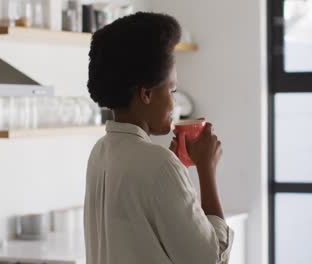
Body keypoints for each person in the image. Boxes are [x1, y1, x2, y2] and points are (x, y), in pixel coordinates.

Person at [84, 12, 233, 264]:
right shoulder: (159, 164)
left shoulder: (100, 151)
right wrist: (207, 171)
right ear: (146, 94)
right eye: (172, 90)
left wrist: (176, 173)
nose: (174, 102)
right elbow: (210, 259)